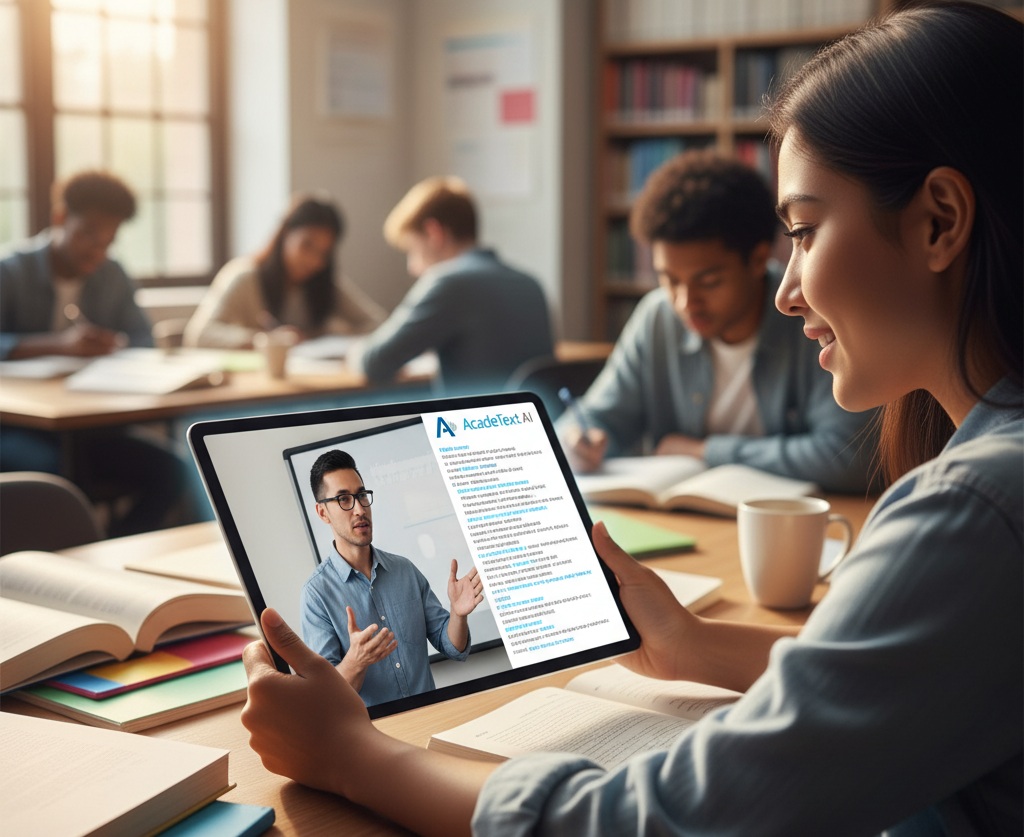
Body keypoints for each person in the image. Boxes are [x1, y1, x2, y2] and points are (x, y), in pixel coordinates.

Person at [239, 4, 1022, 834]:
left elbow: (652, 822)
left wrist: (353, 757)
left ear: (940, 220)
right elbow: (903, 675)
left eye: (804, 231)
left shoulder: (976, 509)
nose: (789, 291)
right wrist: (694, 646)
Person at [561, 149, 877, 493]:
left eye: (709, 282)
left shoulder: (814, 320)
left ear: (758, 259)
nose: (685, 302)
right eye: (669, 279)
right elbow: (592, 420)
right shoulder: (658, 318)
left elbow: (851, 456)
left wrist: (706, 452)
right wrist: (579, 441)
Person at [0, 170, 191, 536]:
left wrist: (115, 344)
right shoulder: (10, 271)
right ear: (60, 218)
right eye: (88, 234)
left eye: (108, 241)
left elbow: (143, 339)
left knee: (173, 471)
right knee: (54, 478)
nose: (97, 250)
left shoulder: (112, 275)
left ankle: (110, 550)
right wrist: (57, 345)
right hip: (20, 428)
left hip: (88, 429)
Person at [300, 449, 484, 707]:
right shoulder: (316, 595)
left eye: (361, 495)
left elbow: (452, 646)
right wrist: (355, 661)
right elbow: (326, 697)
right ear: (322, 513)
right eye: (344, 499)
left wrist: (458, 614)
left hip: (431, 715)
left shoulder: (405, 571)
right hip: (374, 730)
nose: (359, 509)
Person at [350, 176, 555, 395]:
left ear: (434, 233)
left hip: (473, 417)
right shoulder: (530, 283)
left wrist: (354, 350)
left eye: (413, 250)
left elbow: (375, 362)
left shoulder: (448, 282)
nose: (412, 267)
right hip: (531, 416)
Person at [183, 195, 385, 349]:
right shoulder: (246, 277)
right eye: (307, 245)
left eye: (323, 253)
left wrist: (331, 335)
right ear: (285, 234)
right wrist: (264, 340)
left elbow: (379, 324)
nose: (313, 260)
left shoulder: (326, 284)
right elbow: (199, 335)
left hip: (313, 382)